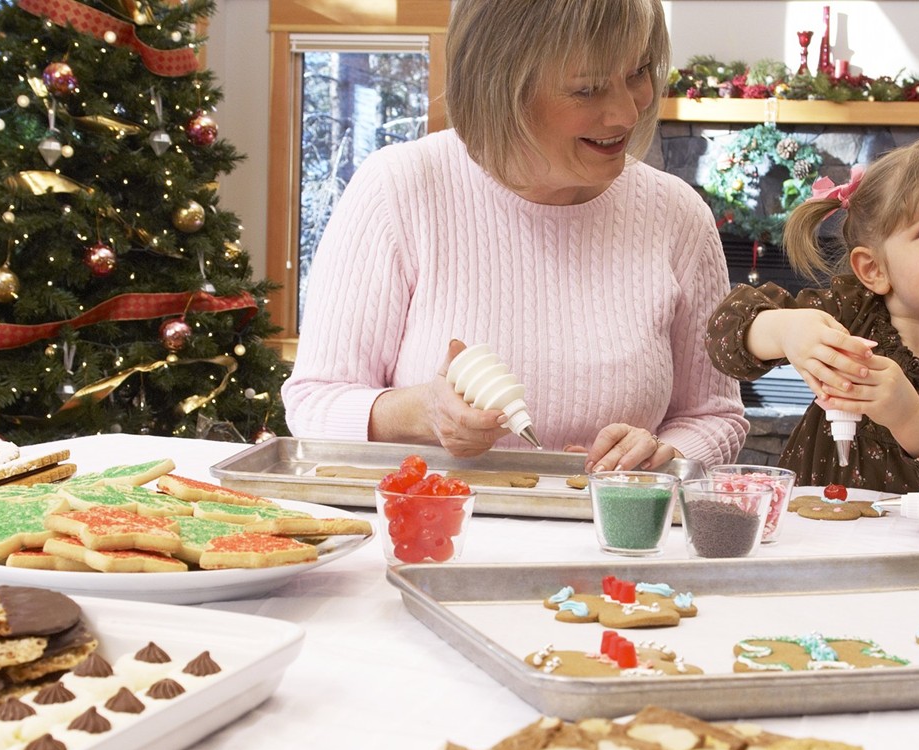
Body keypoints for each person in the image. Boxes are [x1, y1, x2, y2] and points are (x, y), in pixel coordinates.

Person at [281, 0, 747, 472]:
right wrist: (423, 412)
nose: (627, 112)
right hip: (432, 535)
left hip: (614, 542)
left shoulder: (677, 215)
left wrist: (667, 456)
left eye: (638, 72)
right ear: (499, 88)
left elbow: (715, 416)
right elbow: (314, 402)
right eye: (587, 89)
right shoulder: (400, 188)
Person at [705, 137, 919, 492]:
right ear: (874, 269)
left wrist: (911, 417)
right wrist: (784, 331)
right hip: (818, 529)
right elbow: (722, 336)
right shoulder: (848, 313)